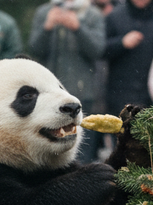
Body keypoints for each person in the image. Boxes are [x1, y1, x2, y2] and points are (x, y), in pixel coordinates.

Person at [29, 0, 106, 163]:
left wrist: (78, 28)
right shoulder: (44, 12)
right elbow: (35, 49)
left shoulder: (92, 14)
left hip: (83, 92)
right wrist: (47, 27)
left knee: (82, 153)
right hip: (48, 94)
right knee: (50, 149)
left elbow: (98, 50)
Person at [104, 0, 153, 116]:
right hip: (121, 91)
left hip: (152, 91)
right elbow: (102, 50)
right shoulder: (115, 16)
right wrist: (122, 43)